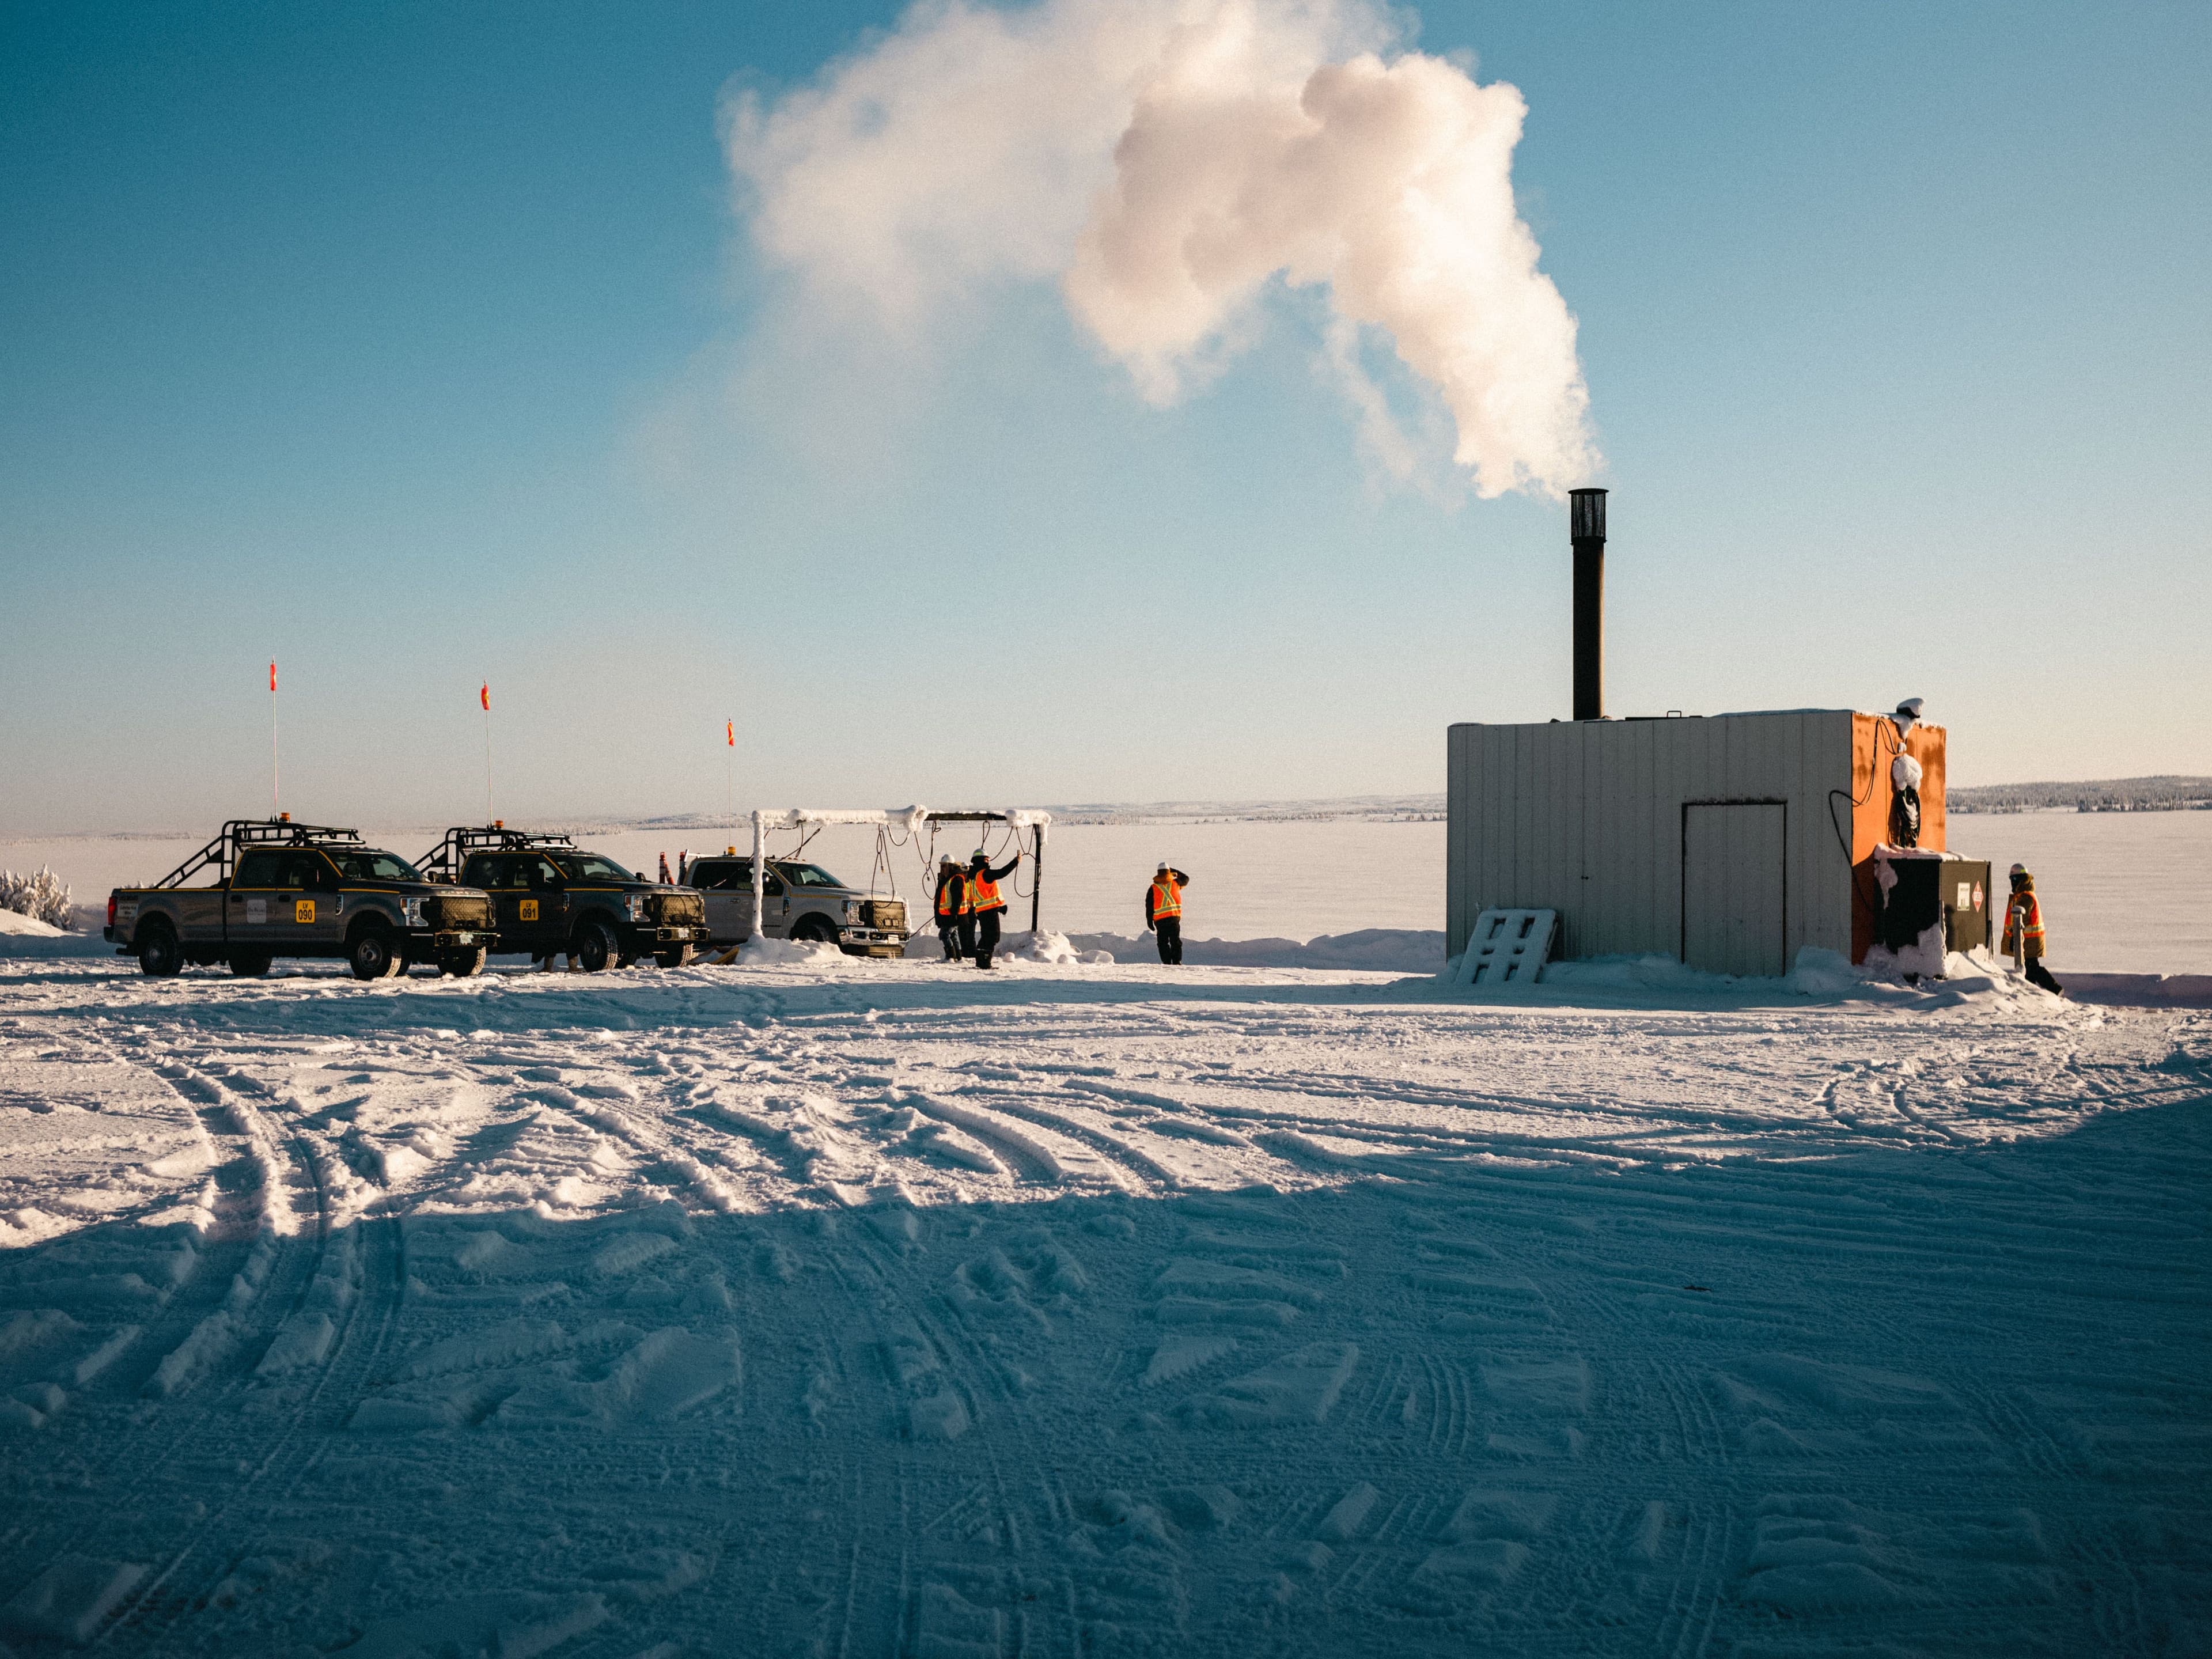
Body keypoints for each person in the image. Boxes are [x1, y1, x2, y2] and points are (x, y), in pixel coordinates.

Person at [2002, 863, 2063, 995]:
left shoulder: (2026, 897)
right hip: (2030, 940)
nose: (2012, 883)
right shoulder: (2023, 895)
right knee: (2029, 968)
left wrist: (2014, 937)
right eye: (2011, 879)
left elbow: (2022, 919)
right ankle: (2031, 992)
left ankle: (2055, 989)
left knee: (2032, 966)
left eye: (2014, 879)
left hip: (2030, 940)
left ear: (2021, 880)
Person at [966, 847, 1021, 969]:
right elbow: (1002, 873)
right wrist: (1016, 861)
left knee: (986, 937)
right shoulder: (985, 874)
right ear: (984, 861)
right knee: (992, 938)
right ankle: (985, 963)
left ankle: (980, 962)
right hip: (989, 912)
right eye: (987, 860)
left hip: (982, 911)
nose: (988, 862)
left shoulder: (975, 875)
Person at [1145, 862, 1190, 964]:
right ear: (1168, 871)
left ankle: (1167, 963)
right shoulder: (1176, 883)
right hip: (1174, 918)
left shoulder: (1153, 888)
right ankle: (1177, 961)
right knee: (1175, 941)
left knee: (1163, 943)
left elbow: (1149, 906)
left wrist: (1149, 920)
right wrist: (1173, 871)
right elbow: (1186, 878)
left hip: (1160, 921)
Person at [932, 855, 968, 961]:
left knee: (944, 935)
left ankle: (951, 956)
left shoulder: (956, 879)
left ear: (950, 867)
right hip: (948, 915)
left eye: (944, 866)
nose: (942, 869)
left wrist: (954, 912)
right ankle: (958, 957)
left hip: (953, 915)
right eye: (941, 866)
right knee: (953, 935)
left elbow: (958, 897)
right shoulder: (947, 879)